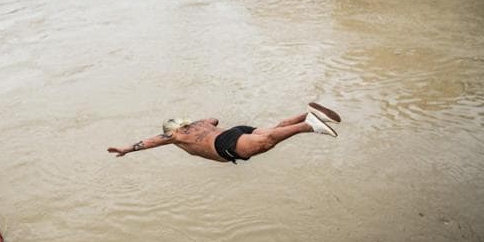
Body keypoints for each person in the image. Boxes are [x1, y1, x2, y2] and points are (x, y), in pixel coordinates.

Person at [107, 102, 341, 164]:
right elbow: (214, 119)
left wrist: (127, 149)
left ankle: (308, 125)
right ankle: (305, 113)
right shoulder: (199, 123)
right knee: (274, 130)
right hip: (235, 130)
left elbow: (151, 141)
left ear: (172, 130)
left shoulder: (176, 135)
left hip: (225, 143)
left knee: (267, 142)